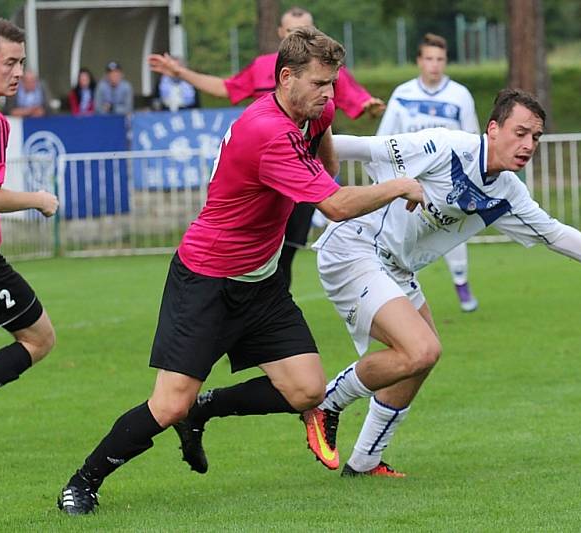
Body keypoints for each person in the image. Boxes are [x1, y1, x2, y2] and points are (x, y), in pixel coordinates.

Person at [57, 26, 422, 515]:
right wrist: (398, 185)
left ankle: (205, 410)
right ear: (286, 77)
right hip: (207, 279)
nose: (328, 94)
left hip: (261, 281)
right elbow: (334, 203)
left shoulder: (314, 111)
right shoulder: (265, 132)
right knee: (168, 405)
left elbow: (325, 165)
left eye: (333, 83)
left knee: (307, 390)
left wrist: (324, 128)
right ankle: (82, 482)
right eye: (319, 83)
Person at [300, 89, 581, 477]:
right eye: (520, 133)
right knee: (421, 350)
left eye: (535, 137)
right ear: (493, 128)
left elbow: (555, 234)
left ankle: (364, 462)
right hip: (355, 247)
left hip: (395, 267)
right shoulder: (446, 146)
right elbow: (363, 148)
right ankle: (326, 403)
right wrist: (292, 149)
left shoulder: (508, 192)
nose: (528, 145)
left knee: (420, 361)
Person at [148, 6, 386, 290]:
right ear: (281, 36)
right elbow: (227, 87)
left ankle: (270, 310)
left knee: (285, 252)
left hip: (300, 183)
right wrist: (180, 72)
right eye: (292, 32)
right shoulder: (264, 68)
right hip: (265, 175)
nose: (327, 90)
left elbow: (347, 101)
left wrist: (366, 104)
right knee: (257, 246)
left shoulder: (324, 73)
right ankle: (261, 309)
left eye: (306, 31)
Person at [0, 19, 59, 400]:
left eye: (21, 63)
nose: (18, 73)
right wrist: (38, 199)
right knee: (39, 339)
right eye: (9, 63)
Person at [377, 32, 480, 312]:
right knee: (405, 237)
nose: (434, 65)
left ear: (445, 61)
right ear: (419, 61)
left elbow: (472, 138)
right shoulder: (403, 94)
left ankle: (462, 284)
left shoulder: (459, 95)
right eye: (429, 59)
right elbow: (384, 137)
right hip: (408, 182)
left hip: (447, 181)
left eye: (440, 59)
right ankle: (404, 294)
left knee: (451, 231)